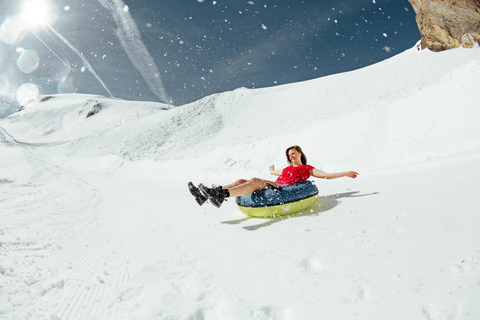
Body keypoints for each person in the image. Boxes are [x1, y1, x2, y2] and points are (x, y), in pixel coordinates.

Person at [188, 145, 359, 208]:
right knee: (242, 181)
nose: (291, 156)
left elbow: (326, 175)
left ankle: (220, 195)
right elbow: (275, 173)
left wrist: (345, 173)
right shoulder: (286, 169)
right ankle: (208, 194)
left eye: (293, 154)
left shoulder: (307, 168)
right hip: (276, 184)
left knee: (254, 181)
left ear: (300, 153)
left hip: (286, 189)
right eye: (289, 155)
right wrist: (271, 171)